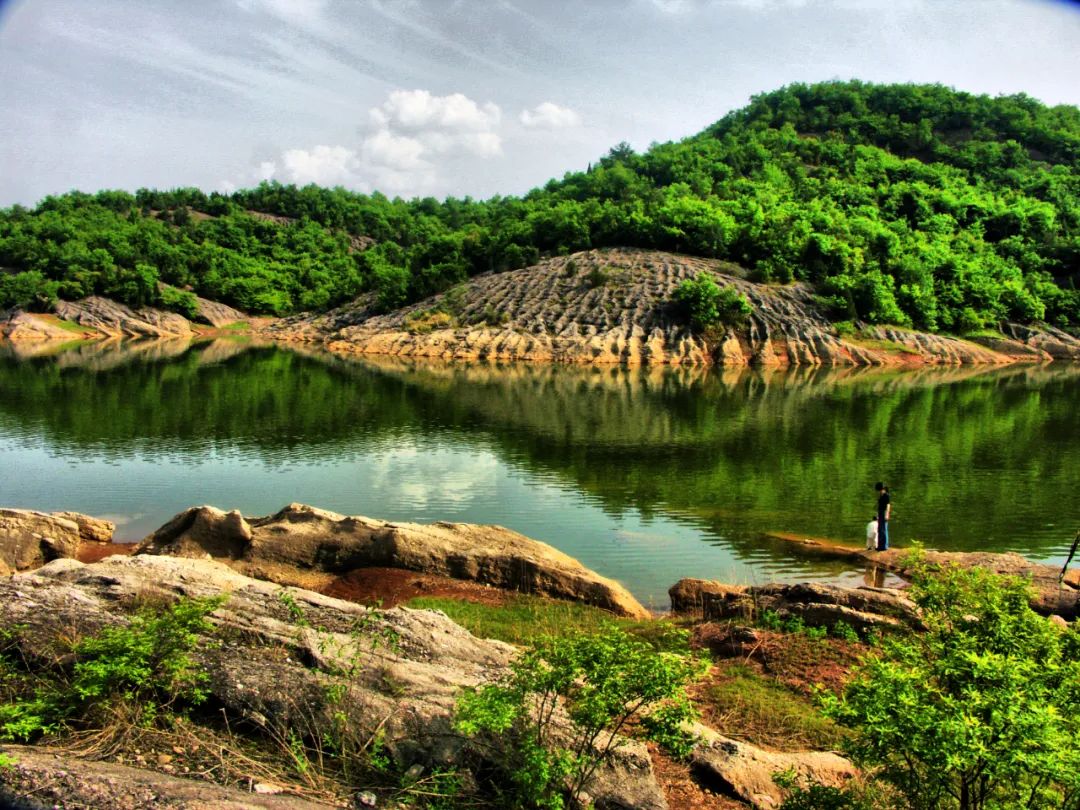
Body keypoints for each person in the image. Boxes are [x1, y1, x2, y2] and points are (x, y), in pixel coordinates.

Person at [875, 482, 891, 551]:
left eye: (880, 490)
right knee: (880, 529)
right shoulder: (881, 495)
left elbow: (888, 505)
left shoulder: (886, 495)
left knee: (883, 529)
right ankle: (880, 545)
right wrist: (877, 514)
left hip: (884, 512)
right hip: (880, 512)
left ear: (883, 489)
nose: (879, 491)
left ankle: (884, 546)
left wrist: (887, 514)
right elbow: (879, 506)